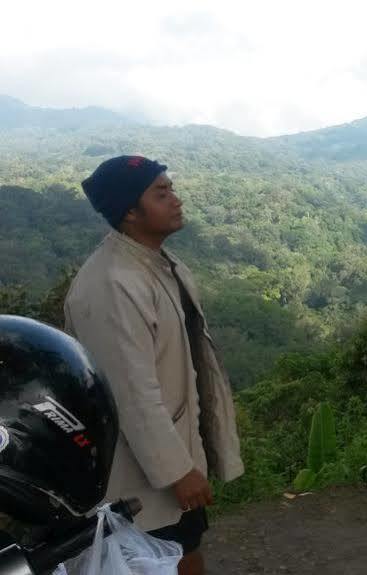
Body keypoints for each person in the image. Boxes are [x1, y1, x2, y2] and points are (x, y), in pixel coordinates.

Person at [64, 156, 244, 575]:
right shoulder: (111, 284)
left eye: (171, 190)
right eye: (161, 194)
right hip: (142, 476)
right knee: (158, 557)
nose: (176, 201)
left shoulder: (159, 264)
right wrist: (178, 471)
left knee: (184, 548)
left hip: (176, 448)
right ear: (130, 212)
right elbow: (131, 393)